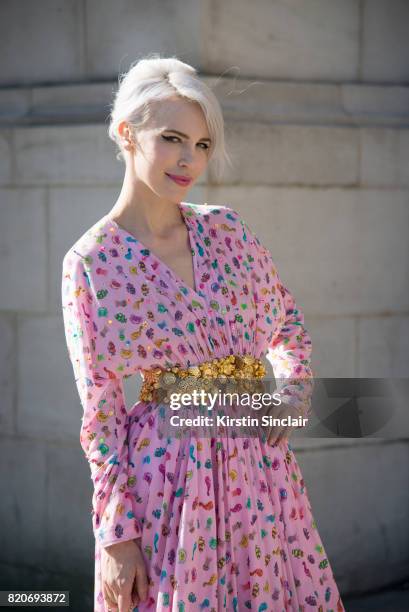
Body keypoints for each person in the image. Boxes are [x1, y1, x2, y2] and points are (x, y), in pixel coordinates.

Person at [61, 54, 345, 612]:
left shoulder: (227, 230)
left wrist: (289, 396)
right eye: (172, 138)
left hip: (260, 479)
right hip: (168, 483)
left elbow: (287, 323)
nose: (190, 159)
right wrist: (117, 535)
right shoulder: (92, 262)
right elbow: (100, 412)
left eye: (203, 144)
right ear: (126, 133)